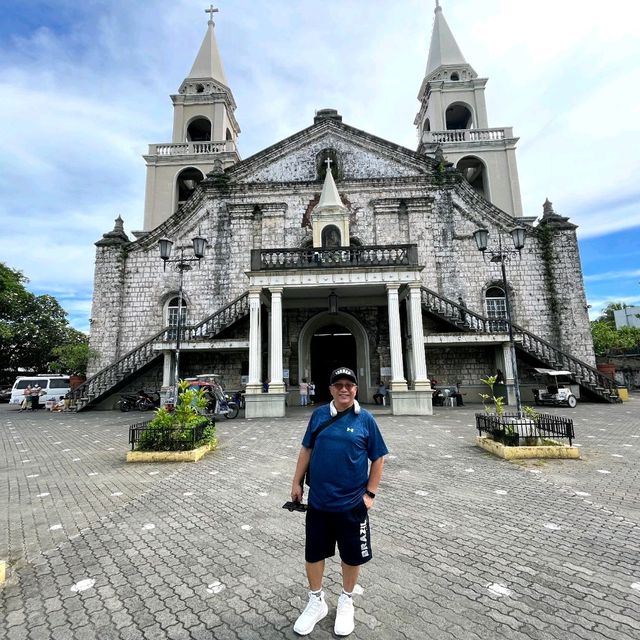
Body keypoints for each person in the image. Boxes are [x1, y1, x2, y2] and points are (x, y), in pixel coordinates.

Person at [290, 367, 388, 636]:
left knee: (351, 555)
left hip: (352, 504)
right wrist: (296, 481)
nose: (344, 389)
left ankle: (346, 600)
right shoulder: (319, 415)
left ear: (355, 389)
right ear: (331, 389)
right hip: (319, 502)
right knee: (313, 553)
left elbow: (378, 458)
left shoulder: (365, 419)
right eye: (338, 385)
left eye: (349, 384)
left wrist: (370, 494)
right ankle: (316, 600)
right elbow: (306, 449)